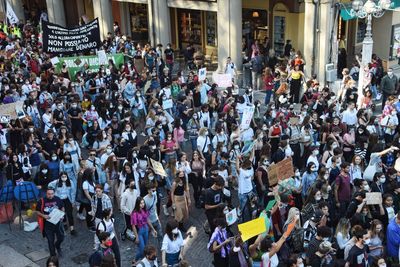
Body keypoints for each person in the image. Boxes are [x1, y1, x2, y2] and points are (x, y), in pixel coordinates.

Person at [36, 187, 65, 257]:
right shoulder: (41, 201)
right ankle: (53, 256)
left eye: (52, 194)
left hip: (57, 224)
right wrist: (43, 215)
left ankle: (57, 246)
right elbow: (37, 211)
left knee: (61, 237)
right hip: (47, 225)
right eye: (49, 194)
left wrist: (62, 214)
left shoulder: (58, 199)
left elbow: (62, 207)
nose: (50, 195)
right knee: (50, 241)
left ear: (54, 193)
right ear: (46, 194)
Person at [131, 197, 158, 263]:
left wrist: (153, 229)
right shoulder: (134, 213)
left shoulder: (144, 210)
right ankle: (136, 260)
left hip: (146, 229)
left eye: (143, 203)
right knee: (142, 249)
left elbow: (147, 220)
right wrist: (136, 237)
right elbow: (133, 226)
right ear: (138, 204)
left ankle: (142, 260)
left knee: (144, 248)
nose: (142, 204)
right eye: (141, 203)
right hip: (139, 231)